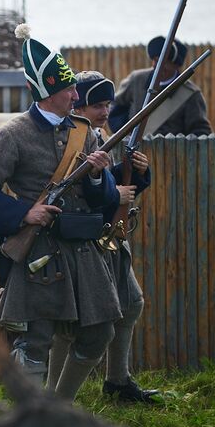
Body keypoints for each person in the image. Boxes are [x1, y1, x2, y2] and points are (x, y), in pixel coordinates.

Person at [0, 25, 120, 401]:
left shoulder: (85, 132)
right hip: (41, 251)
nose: (76, 95)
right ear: (49, 92)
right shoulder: (13, 135)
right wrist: (25, 214)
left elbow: (104, 198)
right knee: (35, 342)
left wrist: (98, 177)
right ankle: (31, 418)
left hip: (83, 250)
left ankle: (58, 407)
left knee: (100, 333)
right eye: (69, 89)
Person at [48, 71, 161, 402]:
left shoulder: (99, 136)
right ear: (78, 107)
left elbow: (114, 183)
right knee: (69, 323)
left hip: (108, 236)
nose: (105, 111)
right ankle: (53, 398)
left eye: (108, 104)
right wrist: (115, 193)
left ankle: (117, 381)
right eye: (97, 105)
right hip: (82, 240)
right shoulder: (70, 140)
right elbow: (77, 192)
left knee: (131, 303)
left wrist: (139, 173)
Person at [108, 36, 211, 137]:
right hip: (134, 145)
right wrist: (125, 135)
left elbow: (200, 131)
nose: (157, 66)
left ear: (176, 65)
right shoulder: (136, 80)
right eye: (155, 60)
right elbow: (116, 107)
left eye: (164, 62)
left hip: (171, 147)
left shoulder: (190, 93)